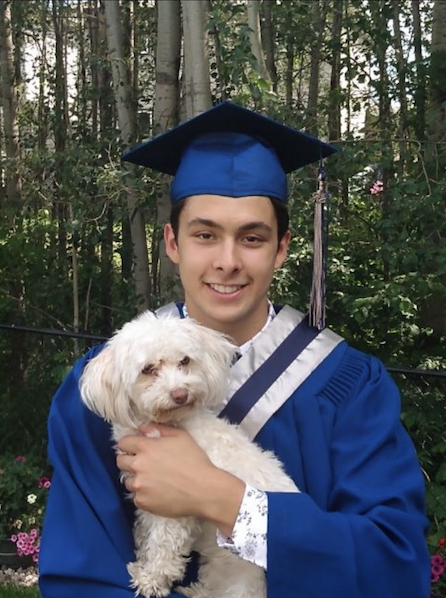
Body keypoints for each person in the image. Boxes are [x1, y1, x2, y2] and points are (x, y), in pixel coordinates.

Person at [38, 101, 431, 598]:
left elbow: (392, 566)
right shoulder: (100, 385)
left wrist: (225, 499)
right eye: (204, 234)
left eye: (251, 237)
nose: (227, 261)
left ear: (282, 247)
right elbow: (80, 575)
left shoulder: (348, 385)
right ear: (172, 243)